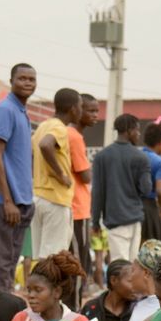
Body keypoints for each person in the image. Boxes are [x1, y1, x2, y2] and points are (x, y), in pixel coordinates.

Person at [0, 64, 38, 291]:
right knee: (3, 261)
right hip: (4, 199)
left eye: (31, 79)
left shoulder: (22, 112)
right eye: (22, 78)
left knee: (12, 260)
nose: (27, 83)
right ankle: (0, 313)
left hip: (23, 200)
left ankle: (5, 305)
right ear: (11, 80)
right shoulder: (6, 110)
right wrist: (7, 200)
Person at [90, 113, 151, 264]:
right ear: (129, 131)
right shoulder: (141, 157)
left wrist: (95, 221)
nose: (138, 134)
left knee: (119, 264)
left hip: (115, 219)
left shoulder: (101, 157)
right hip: (135, 218)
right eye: (137, 130)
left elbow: (97, 192)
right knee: (133, 263)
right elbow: (146, 189)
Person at [30, 88, 82, 259]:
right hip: (55, 199)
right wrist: (61, 175)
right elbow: (46, 145)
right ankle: (49, 287)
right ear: (73, 108)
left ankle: (38, 287)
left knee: (41, 257)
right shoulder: (59, 128)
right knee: (54, 258)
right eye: (80, 106)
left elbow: (32, 152)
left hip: (38, 197)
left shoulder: (43, 126)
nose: (81, 111)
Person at [68, 93, 97, 286]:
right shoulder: (74, 136)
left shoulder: (73, 135)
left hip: (77, 206)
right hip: (77, 208)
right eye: (90, 110)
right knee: (78, 262)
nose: (95, 115)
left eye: (96, 111)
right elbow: (85, 175)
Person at [140, 122, 161, 243]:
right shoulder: (160, 163)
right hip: (149, 209)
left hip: (132, 207)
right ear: (160, 142)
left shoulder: (136, 156)